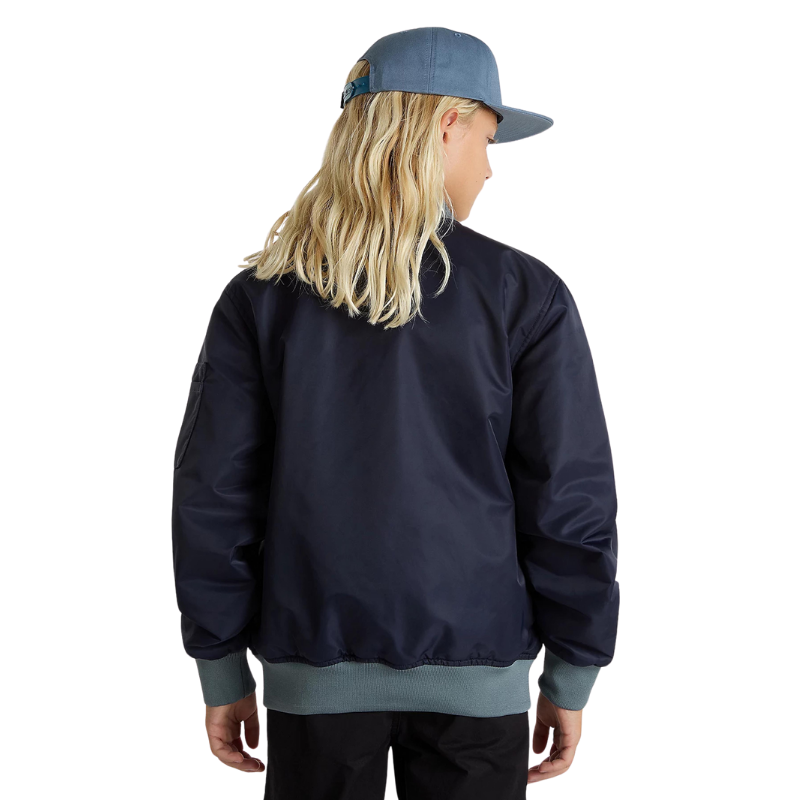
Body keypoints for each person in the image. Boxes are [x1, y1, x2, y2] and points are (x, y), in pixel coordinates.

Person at [171, 26, 620, 800]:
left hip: (313, 678)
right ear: (446, 125)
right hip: (479, 681)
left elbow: (214, 496)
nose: (489, 168)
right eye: (488, 139)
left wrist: (221, 666)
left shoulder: (262, 299)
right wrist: (571, 673)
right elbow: (568, 499)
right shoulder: (524, 296)